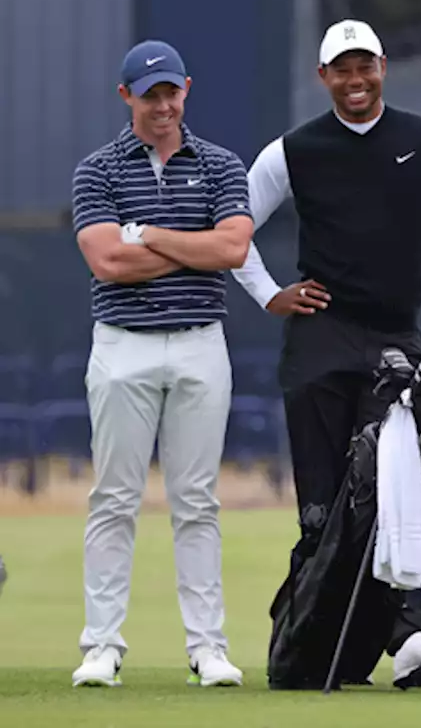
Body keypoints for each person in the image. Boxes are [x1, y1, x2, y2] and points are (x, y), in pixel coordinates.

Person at [231, 19, 421, 688]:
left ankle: (407, 637)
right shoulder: (293, 150)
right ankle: (311, 648)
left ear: (383, 66)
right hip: (319, 337)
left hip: (397, 339)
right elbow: (231, 231)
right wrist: (268, 294)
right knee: (321, 505)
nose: (355, 81)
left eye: (365, 67)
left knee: (398, 489)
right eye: (341, 70)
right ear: (324, 77)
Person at [70, 40, 253, 688]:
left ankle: (207, 647)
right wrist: (191, 246)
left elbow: (232, 246)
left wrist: (144, 232)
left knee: (197, 500)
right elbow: (107, 262)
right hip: (123, 343)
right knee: (114, 497)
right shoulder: (96, 170)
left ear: (186, 90)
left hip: (202, 341)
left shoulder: (223, 164)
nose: (164, 105)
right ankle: (101, 646)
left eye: (172, 92)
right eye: (150, 95)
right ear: (127, 98)